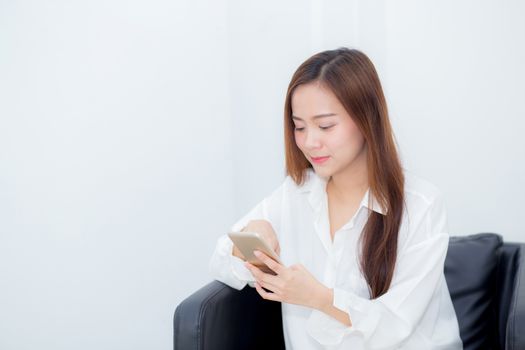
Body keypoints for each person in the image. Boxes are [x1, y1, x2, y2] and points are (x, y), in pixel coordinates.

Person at [209, 47, 463, 349]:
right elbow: (221, 259)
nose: (309, 142)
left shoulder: (420, 204)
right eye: (299, 126)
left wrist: (319, 298)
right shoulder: (297, 192)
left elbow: (395, 323)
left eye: (326, 125)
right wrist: (255, 231)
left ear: (367, 119)